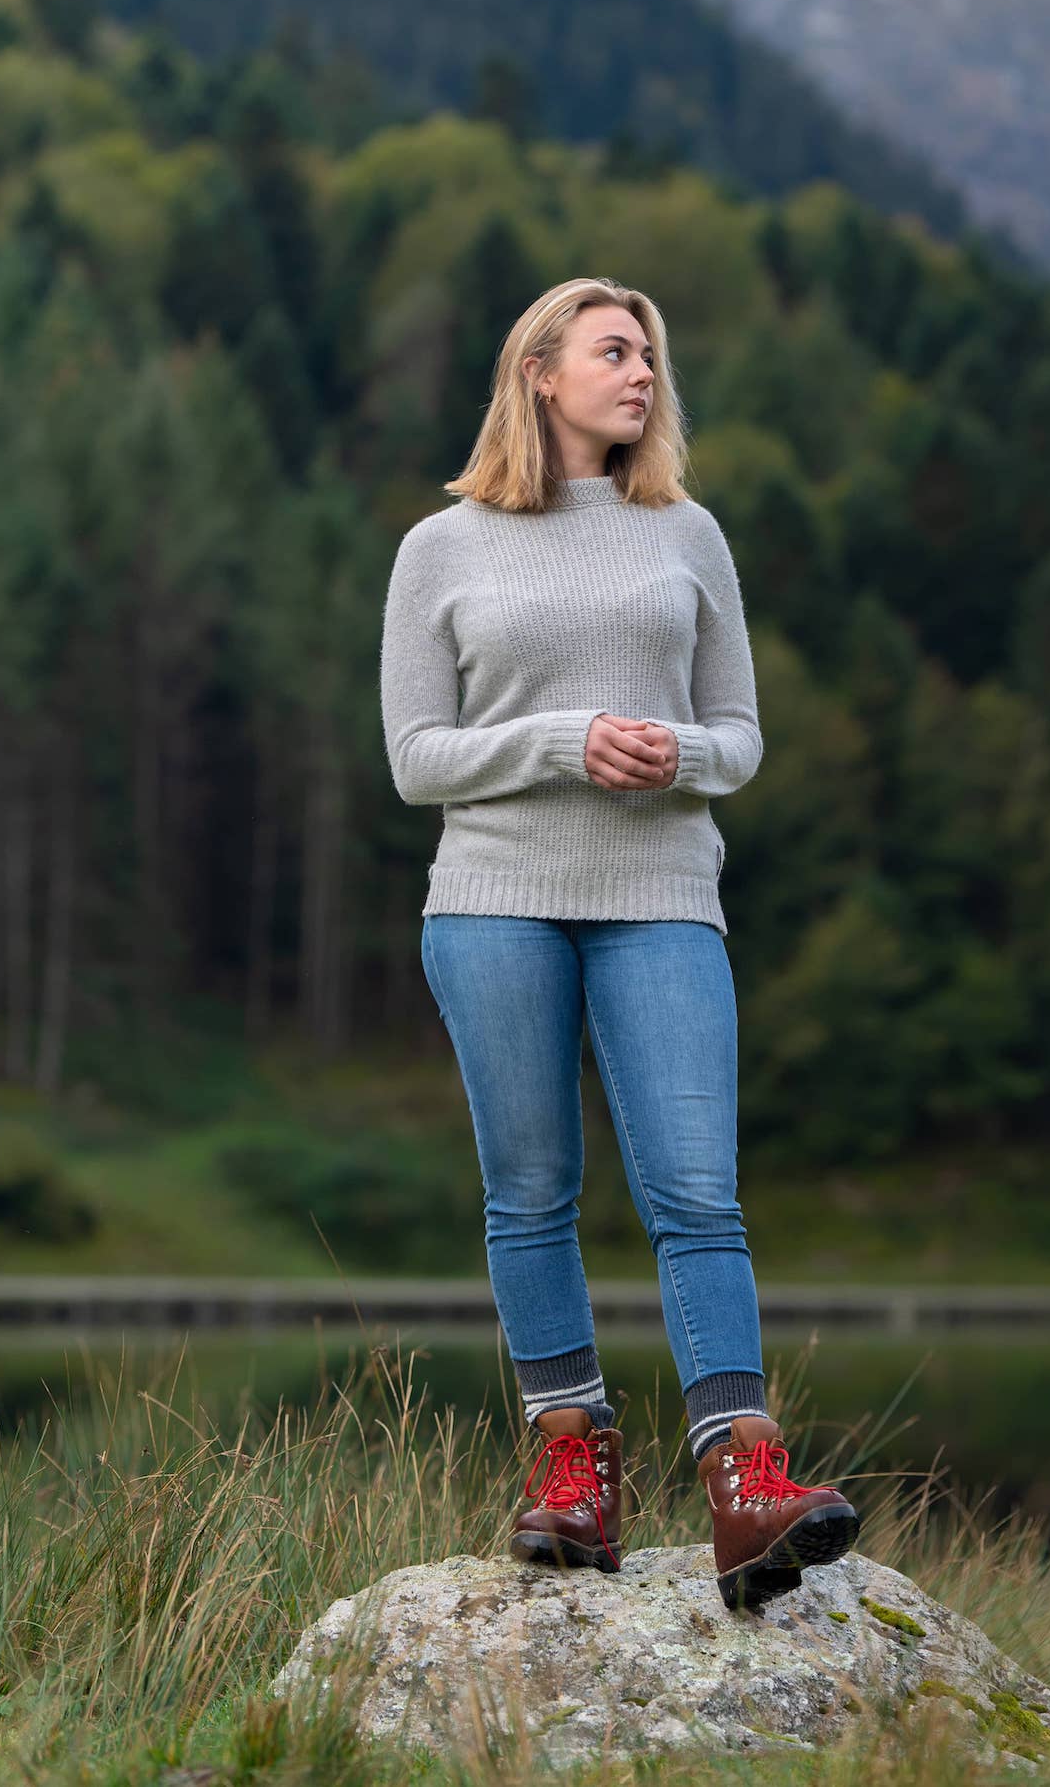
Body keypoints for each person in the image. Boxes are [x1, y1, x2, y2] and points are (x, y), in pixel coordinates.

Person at [379, 274, 858, 1610]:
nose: (643, 372)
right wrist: (564, 740)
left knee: (697, 1192)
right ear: (540, 371)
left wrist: (671, 755)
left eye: (649, 351)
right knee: (530, 1192)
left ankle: (747, 1488)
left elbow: (741, 736)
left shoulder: (684, 529)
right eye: (613, 349)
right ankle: (572, 1475)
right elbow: (416, 758)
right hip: (493, 897)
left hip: (661, 894)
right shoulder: (444, 545)